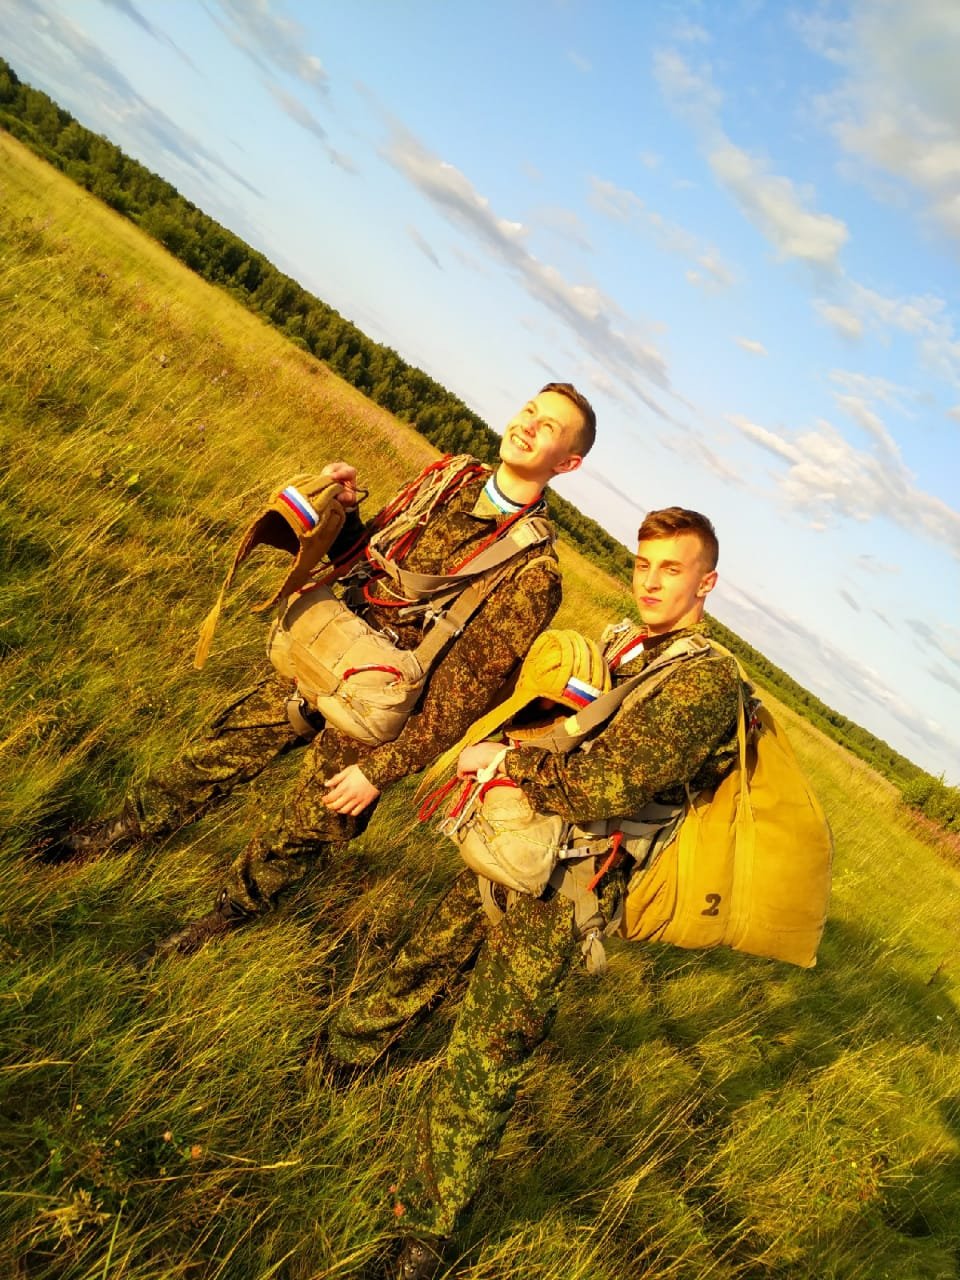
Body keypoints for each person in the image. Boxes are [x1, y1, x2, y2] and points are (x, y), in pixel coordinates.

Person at [327, 507, 743, 1280]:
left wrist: (503, 763)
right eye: (643, 564)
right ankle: (343, 1057)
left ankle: (423, 1234)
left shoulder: (704, 680)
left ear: (706, 582)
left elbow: (612, 783)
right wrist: (517, 744)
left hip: (570, 883)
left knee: (490, 1047)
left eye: (672, 569)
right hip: (517, 843)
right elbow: (561, 721)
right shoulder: (627, 647)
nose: (652, 581)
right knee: (429, 954)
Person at [67, 383, 596, 954]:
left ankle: (212, 928)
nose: (528, 425)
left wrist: (380, 772)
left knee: (301, 831)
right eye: (530, 410)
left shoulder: (533, 572)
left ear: (567, 464)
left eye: (548, 427)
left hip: (378, 714)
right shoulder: (449, 477)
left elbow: (459, 697)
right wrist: (342, 509)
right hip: (326, 648)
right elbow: (363, 555)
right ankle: (116, 836)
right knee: (219, 749)